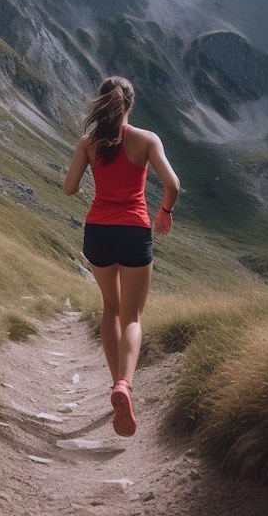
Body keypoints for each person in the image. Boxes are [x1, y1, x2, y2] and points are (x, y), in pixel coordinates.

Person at [63, 76, 180, 437]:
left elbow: (69, 188)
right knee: (132, 315)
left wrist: (90, 174)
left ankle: (116, 382)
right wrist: (165, 211)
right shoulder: (146, 140)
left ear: (102, 103)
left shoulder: (89, 143)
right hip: (133, 232)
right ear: (129, 104)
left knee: (110, 308)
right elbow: (173, 185)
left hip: (97, 233)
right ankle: (125, 386)